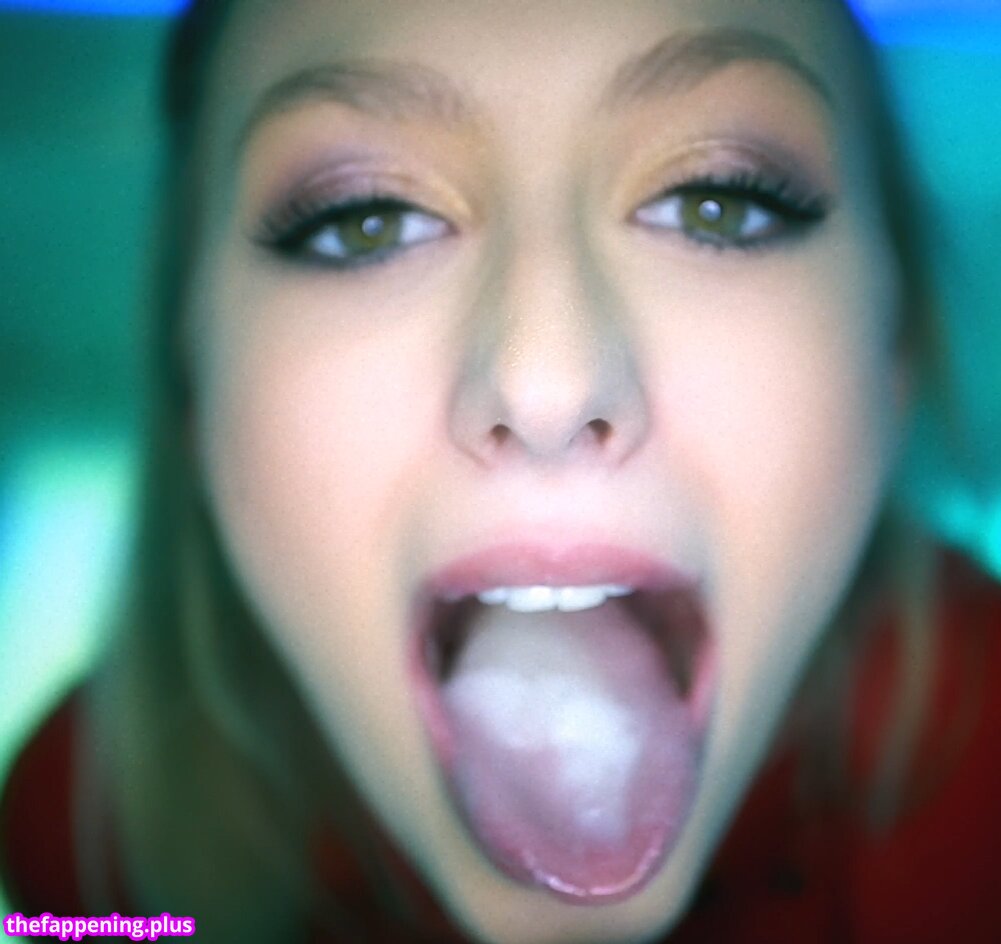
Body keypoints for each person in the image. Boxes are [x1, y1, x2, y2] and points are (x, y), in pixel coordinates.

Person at [2, 0, 999, 941]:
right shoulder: (84, 859)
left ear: (893, 353)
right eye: (363, 219)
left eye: (716, 204)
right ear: (196, 391)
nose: (545, 385)